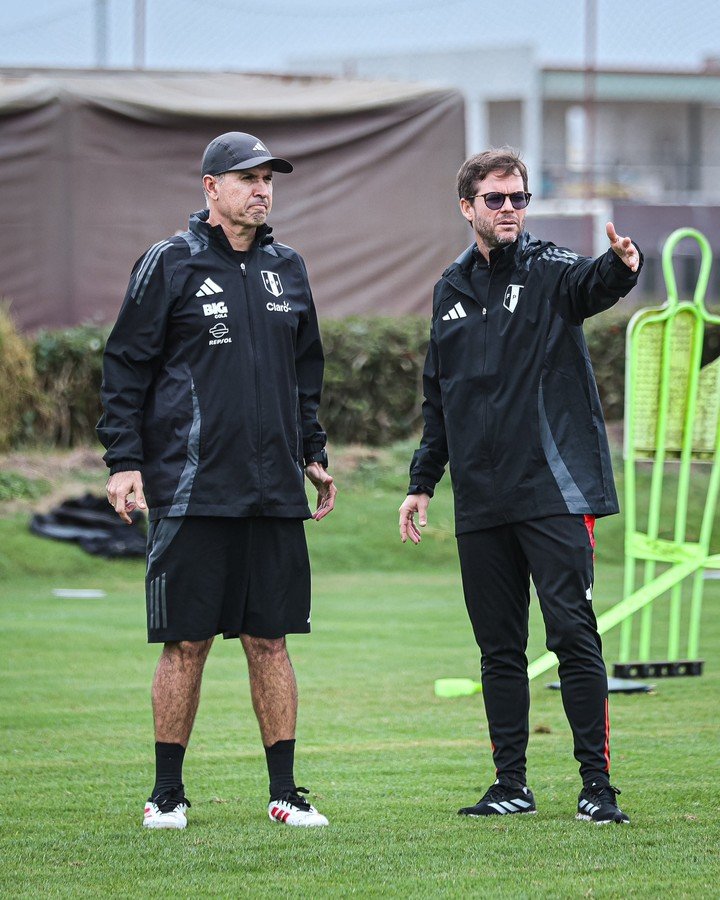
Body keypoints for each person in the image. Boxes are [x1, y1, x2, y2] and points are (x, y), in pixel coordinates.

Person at [98, 131, 337, 830]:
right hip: (191, 488)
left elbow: (306, 374)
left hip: (273, 492)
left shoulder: (288, 267)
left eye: (268, 179)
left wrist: (312, 452)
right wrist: (124, 461)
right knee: (187, 642)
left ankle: (286, 794)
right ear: (210, 187)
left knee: (271, 641)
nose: (262, 190)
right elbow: (125, 368)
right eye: (247, 179)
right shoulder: (169, 262)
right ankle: (166, 793)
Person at [398, 148, 642, 825]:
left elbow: (592, 284)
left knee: (573, 636)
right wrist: (422, 483)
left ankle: (597, 787)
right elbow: (439, 398)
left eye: (519, 198)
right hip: (482, 500)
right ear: (467, 207)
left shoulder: (550, 268)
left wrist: (623, 267)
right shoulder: (449, 289)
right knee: (498, 650)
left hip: (552, 492)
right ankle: (511, 785)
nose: (510, 209)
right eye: (497, 198)